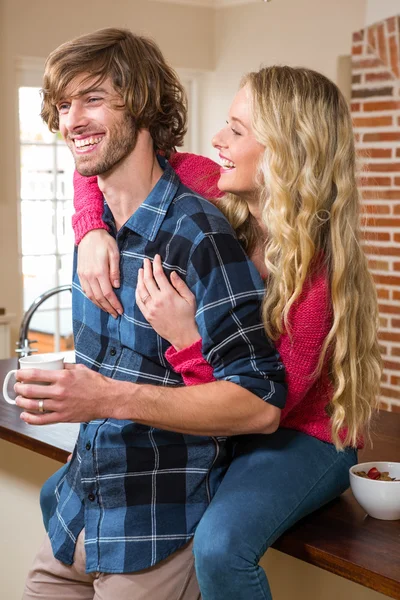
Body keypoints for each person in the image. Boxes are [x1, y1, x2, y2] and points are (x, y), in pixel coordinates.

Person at [22, 65, 383, 600]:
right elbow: (100, 157)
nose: (217, 139)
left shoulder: (317, 283)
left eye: (237, 131)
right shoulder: (207, 181)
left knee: (219, 546)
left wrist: (186, 340)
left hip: (296, 435)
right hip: (224, 411)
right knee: (61, 490)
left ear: (289, 152)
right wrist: (90, 229)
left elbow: (262, 409)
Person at [16, 28, 287, 600]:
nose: (72, 120)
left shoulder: (198, 233)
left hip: (158, 530)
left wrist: (104, 396)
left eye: (93, 99)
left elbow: (261, 404)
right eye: (64, 105)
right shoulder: (92, 234)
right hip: (79, 517)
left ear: (140, 104)